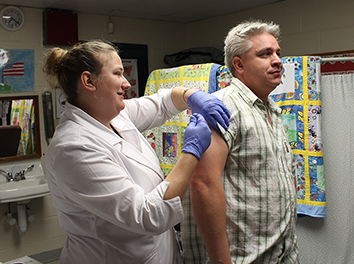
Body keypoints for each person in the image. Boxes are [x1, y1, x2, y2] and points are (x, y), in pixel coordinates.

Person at [42, 40, 230, 264]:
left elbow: (161, 103)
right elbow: (149, 215)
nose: (126, 83)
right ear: (89, 81)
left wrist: (190, 95)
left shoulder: (112, 115)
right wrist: (191, 151)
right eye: (117, 74)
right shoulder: (74, 148)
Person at [182, 20, 299, 263]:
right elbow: (202, 184)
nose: (277, 60)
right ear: (239, 64)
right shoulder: (221, 108)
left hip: (281, 252)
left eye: (278, 53)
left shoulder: (273, 111)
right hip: (241, 258)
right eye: (265, 54)